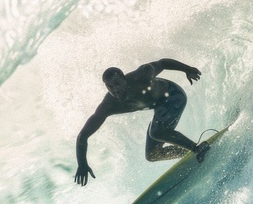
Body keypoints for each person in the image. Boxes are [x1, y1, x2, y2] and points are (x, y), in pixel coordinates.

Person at [74, 58, 209, 186]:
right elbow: (83, 136)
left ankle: (197, 148)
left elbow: (162, 63)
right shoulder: (109, 105)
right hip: (159, 108)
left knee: (157, 132)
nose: (115, 90)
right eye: (110, 87)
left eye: (117, 84)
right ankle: (190, 152)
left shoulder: (141, 75)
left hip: (173, 95)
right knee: (152, 154)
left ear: (124, 79)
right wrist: (82, 164)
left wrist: (187, 69)